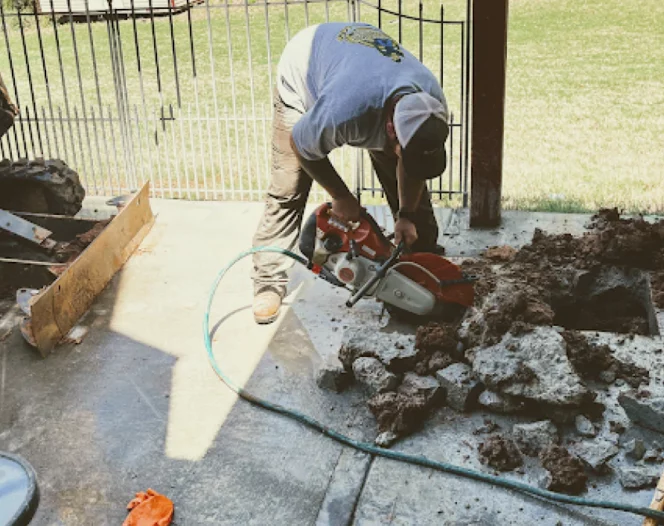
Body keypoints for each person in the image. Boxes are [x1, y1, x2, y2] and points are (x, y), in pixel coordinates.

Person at [252, 22, 450, 324]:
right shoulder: (347, 110)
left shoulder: (430, 105)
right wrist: (341, 197)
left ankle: (422, 262)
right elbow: (301, 144)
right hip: (305, 70)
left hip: (362, 69)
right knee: (288, 187)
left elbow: (414, 167)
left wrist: (406, 214)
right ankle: (268, 280)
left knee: (410, 194)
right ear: (390, 130)